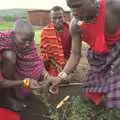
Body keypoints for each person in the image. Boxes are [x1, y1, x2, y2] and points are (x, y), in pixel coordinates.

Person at [49, 0, 120, 112]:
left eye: (78, 6)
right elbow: (75, 54)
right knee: (90, 96)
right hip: (99, 61)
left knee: (115, 99)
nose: (74, 12)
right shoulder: (75, 25)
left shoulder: (114, 7)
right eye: (71, 7)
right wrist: (60, 76)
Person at [0, 19, 51, 112]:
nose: (28, 44)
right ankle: (5, 98)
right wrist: (25, 82)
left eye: (30, 40)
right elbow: (1, 82)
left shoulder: (28, 42)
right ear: (14, 34)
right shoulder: (2, 40)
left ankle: (14, 92)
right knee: (9, 56)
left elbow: (35, 60)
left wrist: (45, 74)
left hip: (9, 74)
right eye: (24, 40)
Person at [40, 6, 71, 76]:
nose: (57, 21)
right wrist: (57, 65)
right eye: (54, 18)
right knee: (54, 78)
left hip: (68, 61)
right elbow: (45, 54)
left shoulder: (70, 29)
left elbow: (74, 51)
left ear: (64, 17)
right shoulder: (46, 32)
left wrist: (66, 65)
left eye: (60, 18)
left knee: (66, 78)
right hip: (53, 63)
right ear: (50, 19)